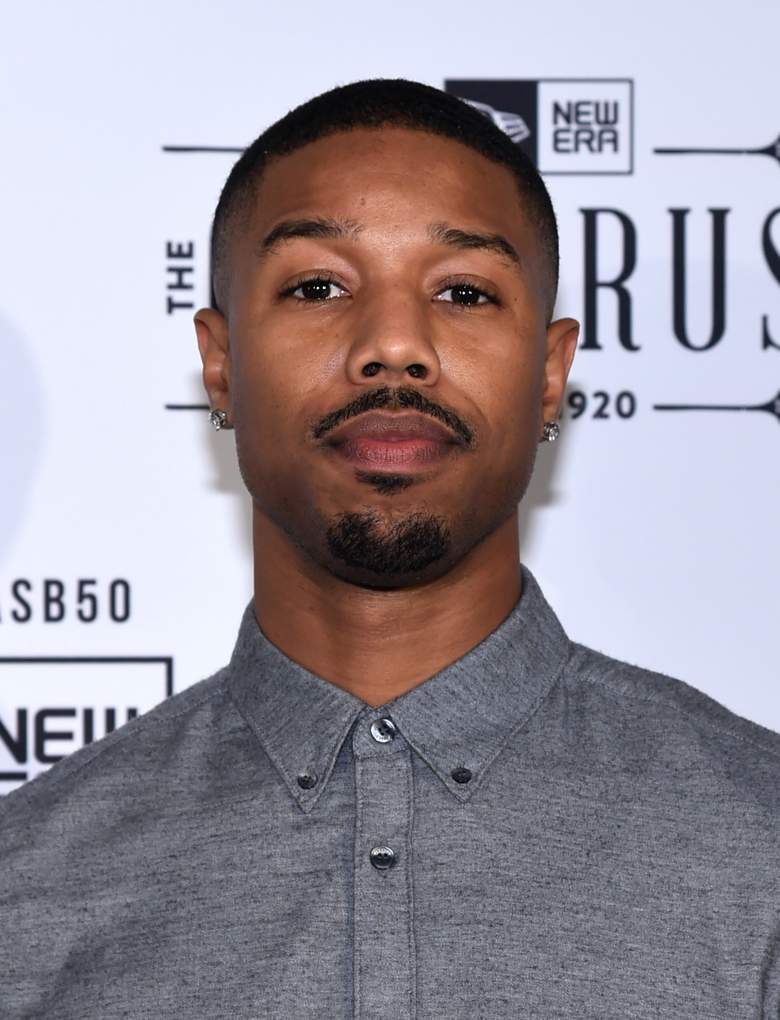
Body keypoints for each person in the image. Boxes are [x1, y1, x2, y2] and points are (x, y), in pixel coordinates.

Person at [1, 79, 778, 1020]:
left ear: (548, 371)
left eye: (463, 291)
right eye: (318, 286)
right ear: (221, 364)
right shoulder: (29, 889)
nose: (395, 348)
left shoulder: (759, 843)